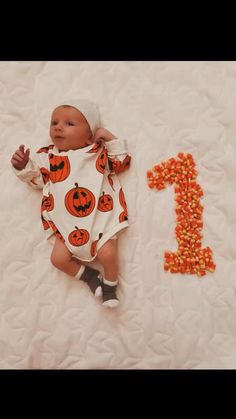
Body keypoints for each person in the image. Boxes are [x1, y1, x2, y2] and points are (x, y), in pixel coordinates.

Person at [11, 99, 131, 308]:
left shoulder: (96, 153)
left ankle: (110, 285)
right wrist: (23, 167)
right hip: (67, 225)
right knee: (58, 259)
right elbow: (37, 181)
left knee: (108, 254)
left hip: (99, 219)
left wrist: (109, 139)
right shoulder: (47, 157)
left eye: (69, 124)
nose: (58, 127)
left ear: (89, 136)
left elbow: (120, 162)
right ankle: (90, 277)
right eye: (54, 122)